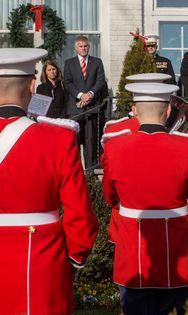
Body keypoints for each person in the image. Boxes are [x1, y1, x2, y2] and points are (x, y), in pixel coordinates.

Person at [0, 48, 98, 314]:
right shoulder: (58, 139)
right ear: (33, 86)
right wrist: (75, 258)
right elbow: (80, 213)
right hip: (42, 263)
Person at [101, 82, 188, 315]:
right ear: (169, 111)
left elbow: (111, 198)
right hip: (175, 256)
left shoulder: (115, 147)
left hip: (133, 251)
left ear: (135, 110)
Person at [64, 35, 106, 168]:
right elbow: (67, 82)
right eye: (81, 46)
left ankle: (90, 171)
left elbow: (100, 81)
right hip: (75, 108)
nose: (84, 49)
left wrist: (90, 94)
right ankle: (74, 170)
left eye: (86, 46)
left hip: (92, 107)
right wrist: (81, 95)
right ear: (76, 48)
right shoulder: (69, 63)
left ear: (89, 47)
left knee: (91, 140)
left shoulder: (97, 62)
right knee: (75, 140)